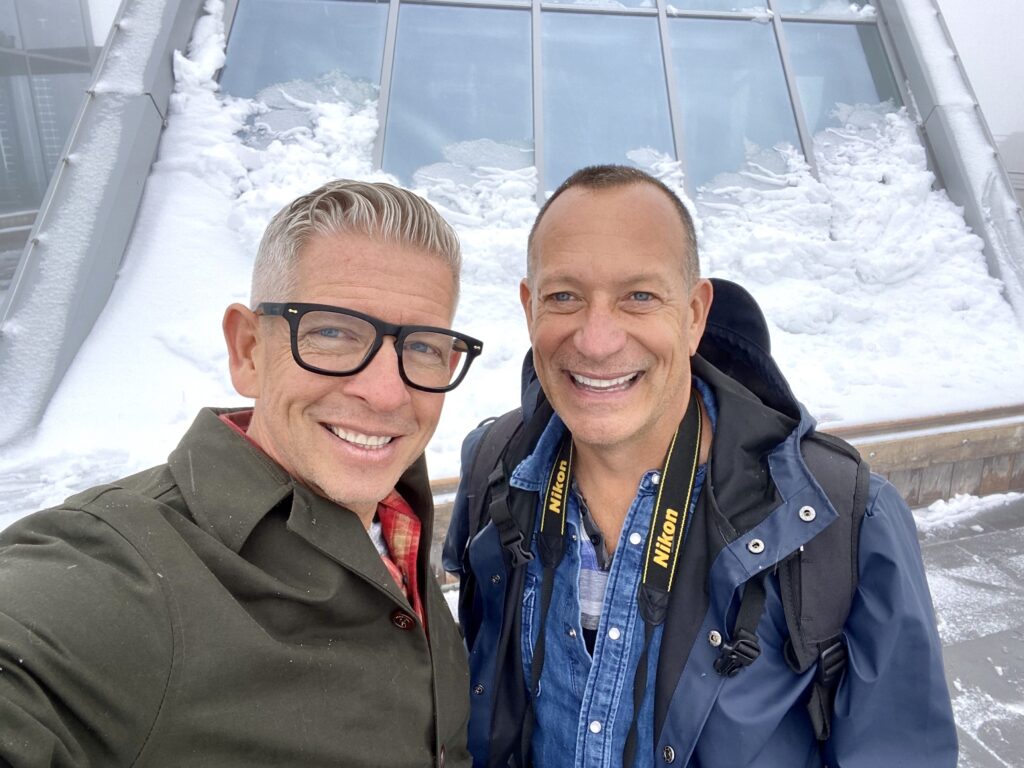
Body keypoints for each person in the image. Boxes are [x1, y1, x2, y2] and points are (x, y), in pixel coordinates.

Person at [445, 165, 957, 767]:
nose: (597, 339)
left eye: (639, 296)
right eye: (564, 296)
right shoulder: (495, 468)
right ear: (530, 308)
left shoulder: (844, 518)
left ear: (694, 314)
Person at [0, 179, 481, 766]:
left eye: (425, 347)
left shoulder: (396, 523)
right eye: (332, 332)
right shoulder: (128, 568)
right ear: (249, 350)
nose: (385, 394)